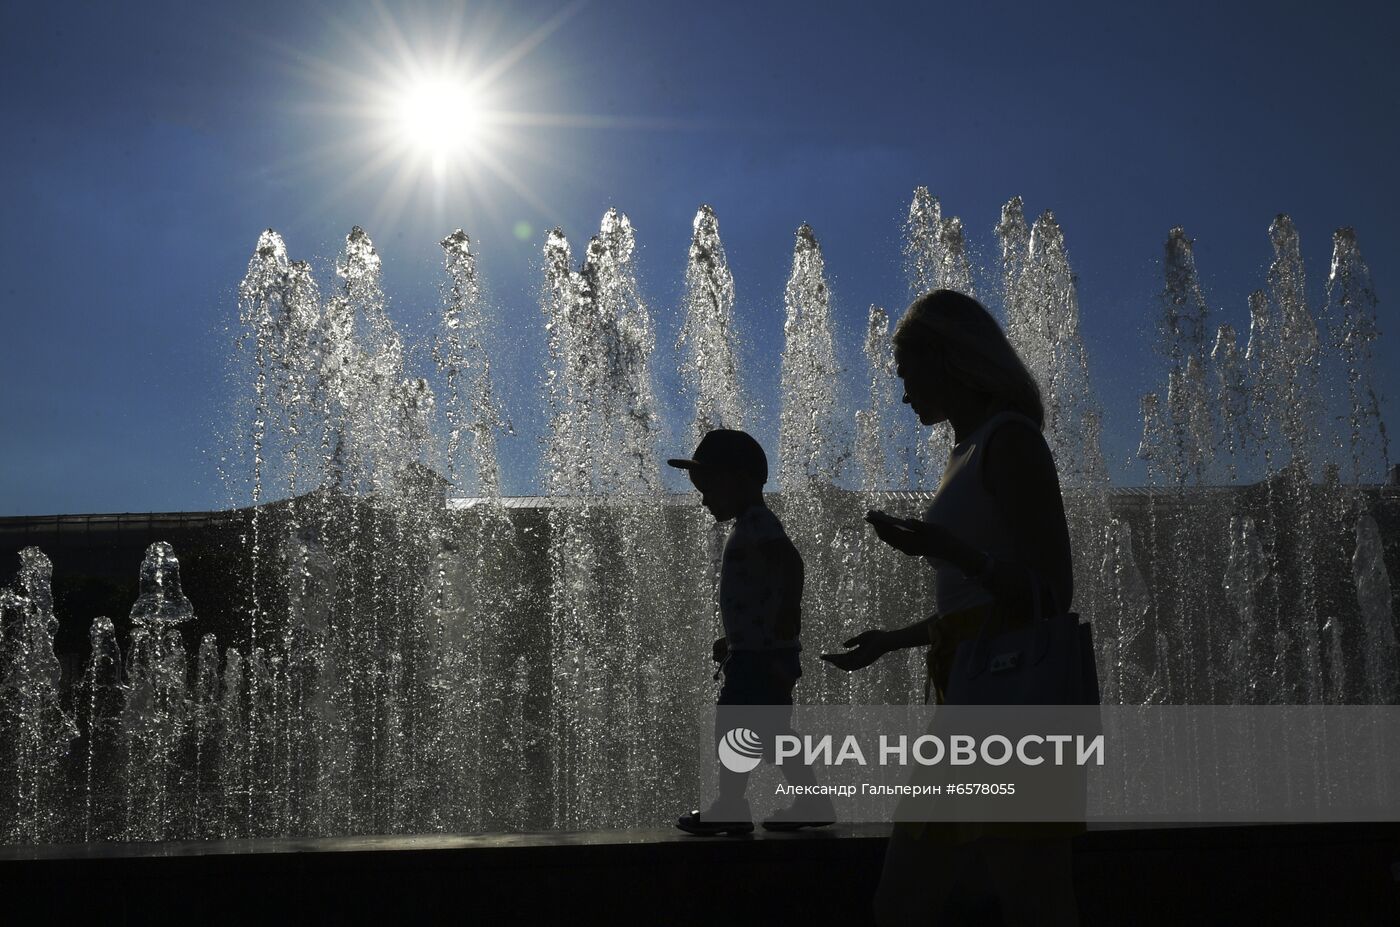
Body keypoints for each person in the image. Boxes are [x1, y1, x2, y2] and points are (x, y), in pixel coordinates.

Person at [821, 289, 1082, 925]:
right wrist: (894, 639)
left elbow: (1053, 588)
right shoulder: (964, 448)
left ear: (949, 360)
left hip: (1012, 712)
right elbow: (977, 607)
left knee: (1034, 901)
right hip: (965, 697)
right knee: (905, 898)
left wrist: (952, 550)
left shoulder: (1011, 441)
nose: (901, 388)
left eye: (907, 371)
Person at [667, 428, 836, 835]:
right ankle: (808, 804)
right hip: (756, 652)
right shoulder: (749, 523)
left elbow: (791, 564)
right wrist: (734, 639)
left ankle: (732, 807)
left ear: (740, 480)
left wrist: (788, 613)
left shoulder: (759, 522)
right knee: (770, 734)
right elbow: (760, 589)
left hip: (763, 658)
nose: (704, 499)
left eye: (708, 488)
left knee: (736, 726)